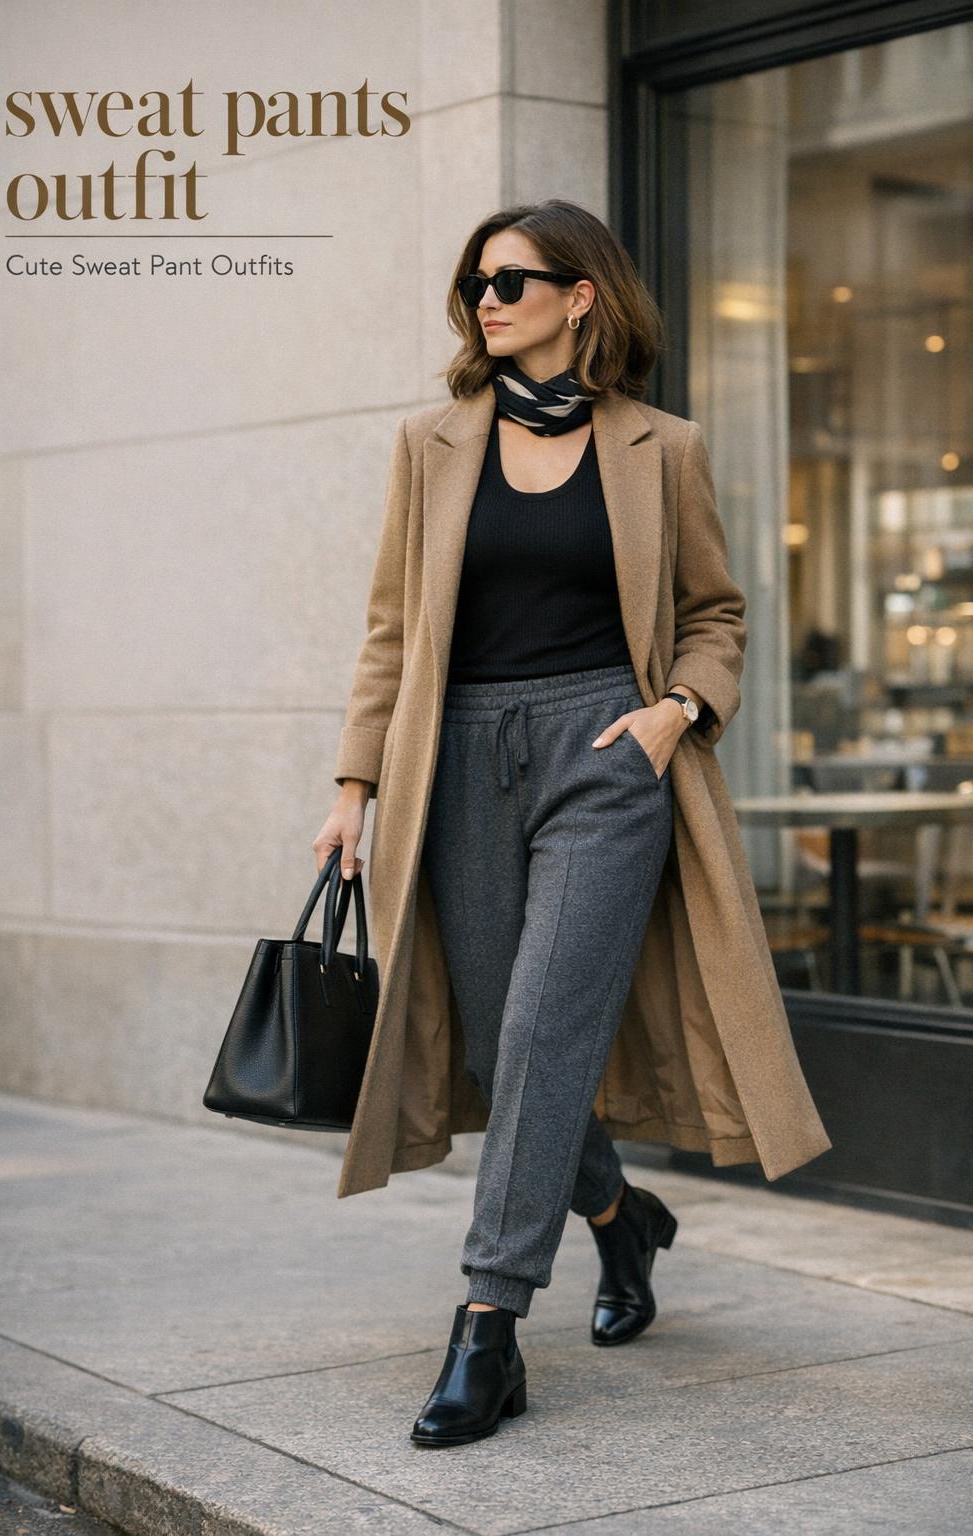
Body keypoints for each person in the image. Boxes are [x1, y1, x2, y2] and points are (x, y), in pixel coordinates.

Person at [313, 199, 744, 1448]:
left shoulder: (660, 447)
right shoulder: (433, 443)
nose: (487, 301)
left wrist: (672, 714)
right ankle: (623, 1222)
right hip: (456, 760)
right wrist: (353, 788)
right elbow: (393, 628)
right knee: (511, 1059)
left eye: (511, 281)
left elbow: (715, 613)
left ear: (581, 296)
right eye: (476, 284)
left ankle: (487, 1327)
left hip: (606, 757)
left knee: (551, 1024)